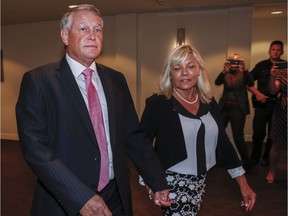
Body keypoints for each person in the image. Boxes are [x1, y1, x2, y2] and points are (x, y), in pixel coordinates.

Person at [15, 4, 170, 216]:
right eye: (83, 29)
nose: (92, 35)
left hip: (115, 196)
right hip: (66, 200)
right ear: (65, 36)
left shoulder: (115, 79)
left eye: (97, 29)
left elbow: (133, 135)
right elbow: (36, 148)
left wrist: (157, 180)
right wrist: (80, 196)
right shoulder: (39, 81)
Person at [140, 45, 256, 216]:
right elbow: (142, 147)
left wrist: (243, 184)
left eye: (191, 66)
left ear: (199, 71)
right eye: (177, 68)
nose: (185, 73)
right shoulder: (158, 103)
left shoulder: (208, 101)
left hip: (200, 181)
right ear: (170, 74)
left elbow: (223, 142)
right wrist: (154, 185)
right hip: (171, 183)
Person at [248, 40, 285, 167]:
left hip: (279, 105)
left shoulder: (285, 66)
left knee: (273, 134)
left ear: (282, 51)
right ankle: (254, 157)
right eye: (273, 49)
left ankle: (267, 157)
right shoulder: (261, 65)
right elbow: (248, 81)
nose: (276, 52)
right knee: (258, 132)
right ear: (269, 51)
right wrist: (257, 93)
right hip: (262, 104)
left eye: (278, 50)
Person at [215, 54, 254, 171]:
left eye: (237, 62)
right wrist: (223, 71)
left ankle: (246, 163)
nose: (234, 64)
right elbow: (217, 82)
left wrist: (246, 70)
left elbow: (251, 83)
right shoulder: (226, 73)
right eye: (232, 61)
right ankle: (217, 158)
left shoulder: (243, 73)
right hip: (224, 108)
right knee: (218, 133)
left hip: (238, 109)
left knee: (238, 138)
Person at [266, 61, 287, 183]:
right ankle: (272, 171)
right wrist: (273, 76)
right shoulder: (283, 71)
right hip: (283, 110)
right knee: (278, 143)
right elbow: (273, 91)